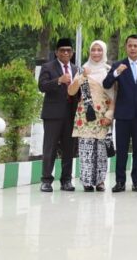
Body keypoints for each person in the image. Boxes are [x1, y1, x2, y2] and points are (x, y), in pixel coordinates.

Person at [103, 34, 137, 193]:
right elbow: (106, 84)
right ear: (126, 47)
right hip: (123, 115)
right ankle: (119, 181)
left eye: (135, 46)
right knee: (122, 150)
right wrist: (116, 73)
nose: (132, 48)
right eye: (130, 45)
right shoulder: (118, 65)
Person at [67, 40, 114, 192]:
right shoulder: (82, 69)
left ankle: (100, 181)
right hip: (85, 114)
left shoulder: (108, 70)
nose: (96, 53)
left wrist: (109, 114)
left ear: (104, 52)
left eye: (99, 50)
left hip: (103, 115)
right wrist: (81, 77)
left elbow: (115, 96)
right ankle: (86, 181)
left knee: (101, 150)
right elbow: (71, 91)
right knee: (86, 149)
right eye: (93, 49)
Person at [38, 38, 79, 192]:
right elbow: (42, 86)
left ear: (72, 52)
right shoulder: (48, 67)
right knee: (50, 148)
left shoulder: (76, 69)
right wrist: (59, 80)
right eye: (62, 50)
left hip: (71, 115)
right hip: (53, 115)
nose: (66, 53)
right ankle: (46, 180)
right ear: (56, 52)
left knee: (69, 149)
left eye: (68, 50)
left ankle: (66, 180)